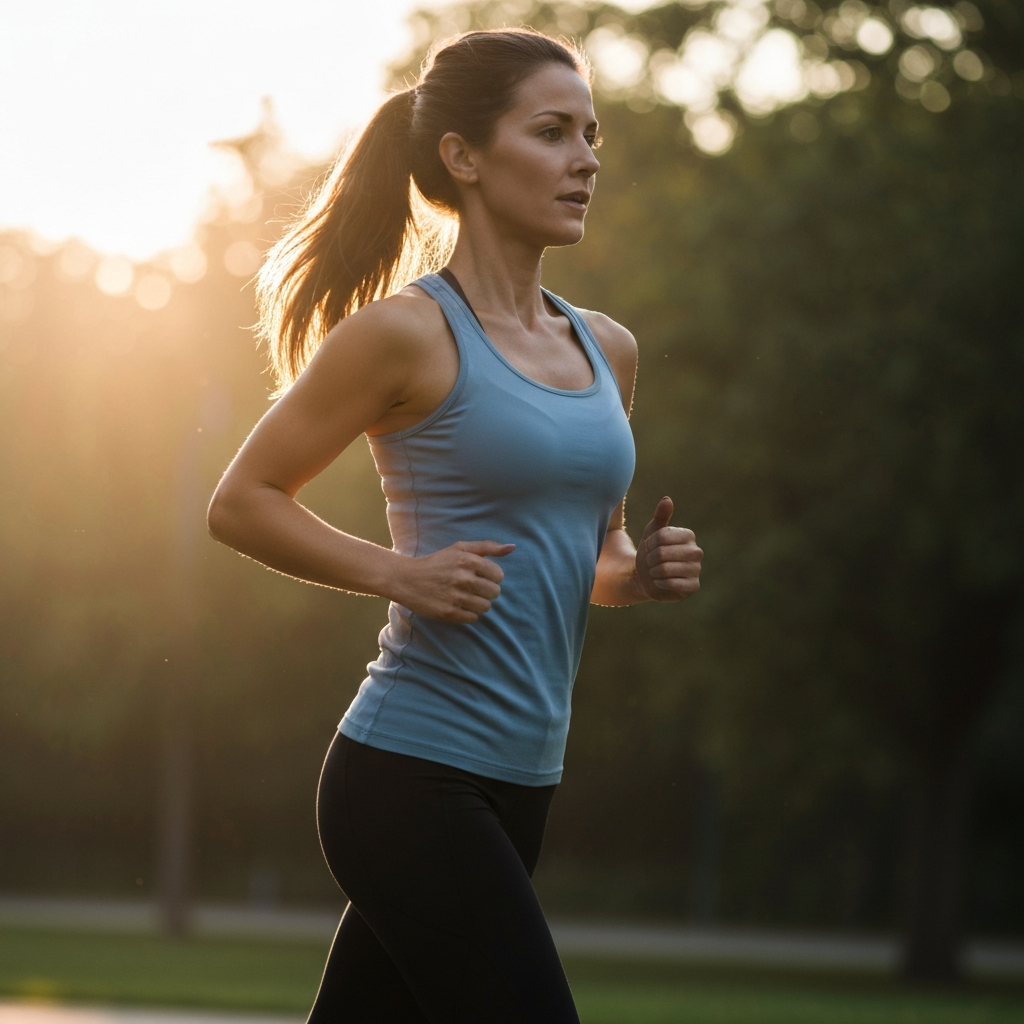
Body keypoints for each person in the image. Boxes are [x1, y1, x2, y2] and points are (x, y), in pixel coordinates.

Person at [208, 27, 702, 1024]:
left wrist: (633, 571)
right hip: (407, 778)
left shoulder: (609, 347)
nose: (586, 160)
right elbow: (241, 500)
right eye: (553, 132)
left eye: (591, 136)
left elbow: (589, 556)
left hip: (524, 782)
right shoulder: (405, 333)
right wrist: (400, 572)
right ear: (462, 156)